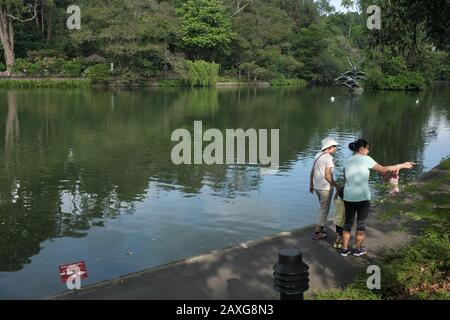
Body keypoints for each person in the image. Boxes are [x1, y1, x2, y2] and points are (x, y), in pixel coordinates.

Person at [340, 139, 415, 257]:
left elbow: (346, 178)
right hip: (362, 197)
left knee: (348, 222)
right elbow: (384, 169)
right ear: (361, 149)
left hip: (348, 196)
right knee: (361, 223)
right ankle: (358, 249)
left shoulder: (348, 161)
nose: (368, 151)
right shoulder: (366, 159)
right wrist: (402, 165)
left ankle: (344, 249)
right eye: (367, 148)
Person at [309, 137, 340, 240]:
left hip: (317, 187)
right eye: (334, 147)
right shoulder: (328, 158)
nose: (335, 148)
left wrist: (311, 185)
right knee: (324, 210)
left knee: (322, 208)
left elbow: (312, 171)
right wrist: (337, 186)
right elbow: (327, 176)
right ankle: (317, 232)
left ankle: (321, 228)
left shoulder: (317, 155)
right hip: (325, 188)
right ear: (329, 147)